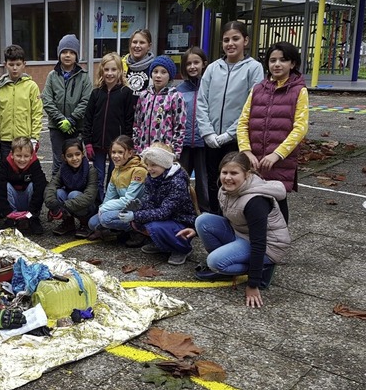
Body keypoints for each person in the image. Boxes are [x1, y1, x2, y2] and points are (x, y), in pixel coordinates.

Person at [177, 152, 290, 308]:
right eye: (225, 172)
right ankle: (227, 265)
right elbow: (224, 214)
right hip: (242, 234)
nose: (228, 177)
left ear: (247, 174)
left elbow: (259, 242)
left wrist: (253, 284)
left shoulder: (255, 201)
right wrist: (195, 231)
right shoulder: (225, 189)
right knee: (202, 220)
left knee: (214, 262)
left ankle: (262, 269)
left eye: (234, 173)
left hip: (268, 247)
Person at [236, 41, 309, 224]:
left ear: (292, 64)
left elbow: (300, 128)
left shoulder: (299, 91)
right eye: (272, 60)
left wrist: (277, 155)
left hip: (279, 161)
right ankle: (256, 241)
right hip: (254, 159)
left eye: (283, 60)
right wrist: (246, 151)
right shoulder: (257, 89)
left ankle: (278, 244)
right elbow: (243, 122)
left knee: (278, 201)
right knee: (253, 200)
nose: (277, 64)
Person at [196, 21, 264, 214]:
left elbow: (251, 105)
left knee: (235, 180)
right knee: (214, 179)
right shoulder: (213, 68)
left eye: (235, 38)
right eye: (226, 40)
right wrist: (208, 132)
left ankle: (234, 219)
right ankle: (215, 217)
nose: (230, 44)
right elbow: (202, 101)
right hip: (211, 139)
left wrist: (230, 133)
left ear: (246, 40)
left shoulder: (254, 68)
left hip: (236, 139)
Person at [119, 143, 197, 264]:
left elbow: (165, 212)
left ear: (165, 164)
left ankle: (182, 249)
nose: (149, 169)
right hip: (168, 219)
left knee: (154, 226)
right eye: (148, 165)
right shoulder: (153, 177)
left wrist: (136, 215)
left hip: (181, 221)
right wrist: (140, 207)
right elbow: (151, 202)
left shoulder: (177, 182)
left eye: (153, 165)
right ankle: (163, 245)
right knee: (138, 220)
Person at [82, 52, 136, 201]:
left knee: (115, 178)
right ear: (102, 71)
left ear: (120, 71)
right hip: (98, 144)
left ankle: (111, 206)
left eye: (113, 70)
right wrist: (87, 142)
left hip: (117, 147)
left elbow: (129, 122)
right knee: (97, 177)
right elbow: (88, 119)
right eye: (106, 70)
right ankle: (99, 205)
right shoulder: (96, 93)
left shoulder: (126, 93)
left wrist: (125, 145)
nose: (110, 73)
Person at [42, 34, 92, 176]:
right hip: (56, 127)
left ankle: (76, 190)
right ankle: (56, 192)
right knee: (58, 160)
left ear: (76, 55)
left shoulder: (83, 76)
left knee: (75, 159)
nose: (67, 55)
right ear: (59, 54)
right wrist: (60, 119)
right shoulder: (52, 76)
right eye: (64, 52)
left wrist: (72, 119)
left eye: (71, 52)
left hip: (76, 126)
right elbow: (47, 99)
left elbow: (86, 100)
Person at [87, 136, 147, 241]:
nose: (115, 156)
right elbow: (110, 195)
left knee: (106, 219)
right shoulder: (117, 169)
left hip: (137, 210)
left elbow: (129, 200)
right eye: (113, 152)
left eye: (120, 152)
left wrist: (104, 208)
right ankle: (121, 230)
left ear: (130, 153)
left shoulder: (139, 171)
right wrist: (103, 207)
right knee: (93, 223)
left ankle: (138, 229)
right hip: (122, 207)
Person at [0, 44, 43, 161]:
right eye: (11, 64)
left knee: (23, 172)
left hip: (24, 139)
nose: (15, 68)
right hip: (5, 140)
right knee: (6, 171)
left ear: (24, 65)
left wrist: (34, 137)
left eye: (18, 65)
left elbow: (36, 113)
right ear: (5, 65)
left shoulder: (31, 86)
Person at [0, 136, 47, 235]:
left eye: (26, 156)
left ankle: (32, 219)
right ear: (12, 155)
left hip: (28, 203)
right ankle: (10, 219)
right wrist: (6, 211)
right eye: (18, 155)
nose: (22, 159)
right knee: (5, 185)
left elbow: (41, 186)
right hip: (13, 201)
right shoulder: (5, 163)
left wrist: (32, 212)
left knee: (35, 185)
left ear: (31, 155)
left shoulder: (34, 164)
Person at [44, 138, 99, 238]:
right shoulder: (63, 169)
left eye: (77, 154)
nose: (74, 158)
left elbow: (89, 196)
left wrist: (63, 206)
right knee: (58, 192)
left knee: (73, 194)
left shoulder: (91, 171)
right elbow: (51, 186)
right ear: (64, 157)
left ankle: (85, 224)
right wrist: (53, 205)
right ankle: (68, 222)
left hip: (89, 207)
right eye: (69, 156)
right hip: (70, 204)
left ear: (82, 154)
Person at [177, 46, 210, 213]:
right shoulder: (179, 91)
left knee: (204, 181)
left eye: (196, 62)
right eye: (188, 63)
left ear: (204, 64)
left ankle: (205, 213)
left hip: (204, 142)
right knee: (181, 179)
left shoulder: (209, 87)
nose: (192, 67)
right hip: (183, 143)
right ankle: (184, 212)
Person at [133, 55, 186, 156]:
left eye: (163, 72)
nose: (158, 75)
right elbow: (137, 124)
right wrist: (136, 146)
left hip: (164, 152)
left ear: (170, 75)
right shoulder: (144, 95)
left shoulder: (175, 97)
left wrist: (175, 152)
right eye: (155, 71)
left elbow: (180, 127)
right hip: (143, 151)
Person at [122, 29, 156, 96]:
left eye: (142, 42)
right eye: (134, 42)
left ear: (149, 46)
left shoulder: (155, 67)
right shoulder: (121, 65)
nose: (137, 46)